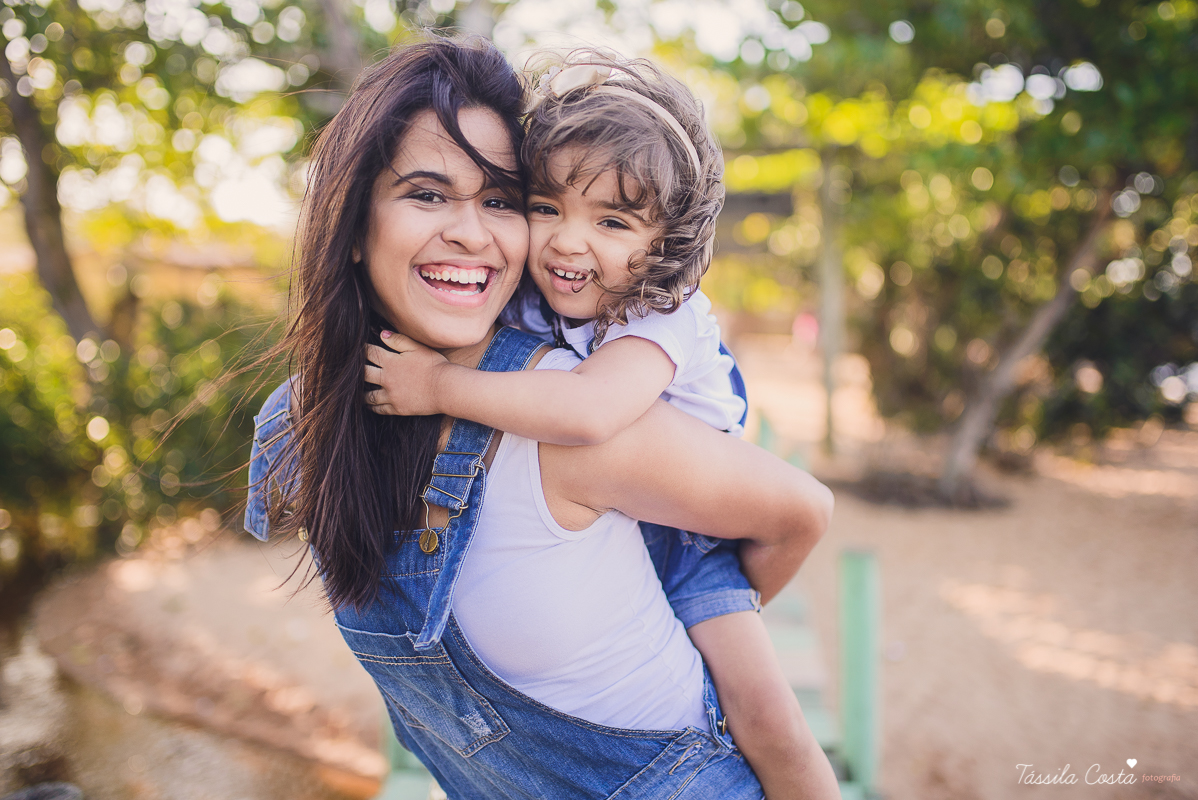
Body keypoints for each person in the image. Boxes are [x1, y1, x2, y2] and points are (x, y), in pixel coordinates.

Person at [244, 36, 838, 799]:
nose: (474, 231)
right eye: (428, 194)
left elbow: (795, 507)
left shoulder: (603, 372)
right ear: (352, 223)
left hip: (691, 578)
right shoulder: (303, 422)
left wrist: (710, 596)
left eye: (497, 199)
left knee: (772, 722)